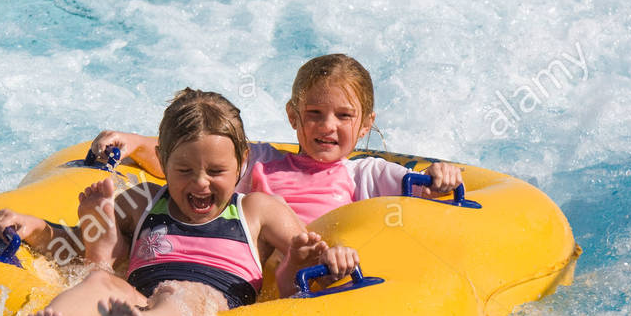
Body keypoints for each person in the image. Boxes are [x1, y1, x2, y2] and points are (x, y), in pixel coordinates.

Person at [0, 89, 359, 316]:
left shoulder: (258, 210)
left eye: (215, 172)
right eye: (184, 171)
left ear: (242, 162)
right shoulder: (143, 200)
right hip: (139, 296)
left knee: (181, 293)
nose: (200, 183)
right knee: (99, 282)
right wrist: (32, 228)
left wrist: (330, 257)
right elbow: (72, 246)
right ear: (163, 161)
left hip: (214, 303)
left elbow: (309, 255)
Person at [89, 53, 463, 224]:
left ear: (365, 124)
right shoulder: (263, 160)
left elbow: (424, 190)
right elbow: (193, 160)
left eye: (344, 116)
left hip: (314, 267)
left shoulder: (364, 174)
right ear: (293, 117)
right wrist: (135, 143)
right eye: (314, 114)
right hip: (248, 264)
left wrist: (441, 174)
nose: (327, 126)